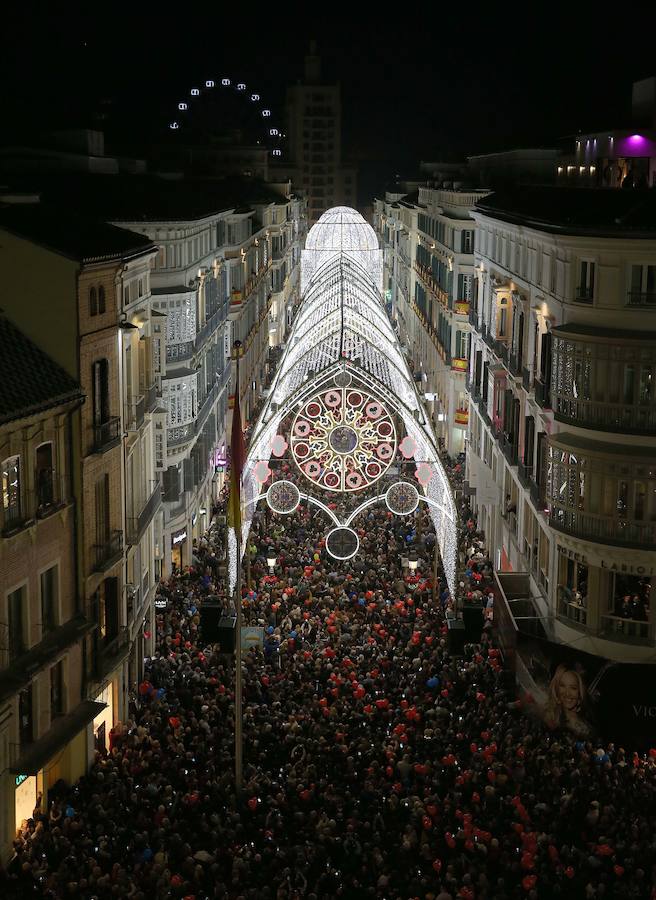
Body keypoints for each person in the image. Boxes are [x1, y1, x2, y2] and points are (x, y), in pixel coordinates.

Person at [542, 664, 593, 738]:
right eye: (562, 686)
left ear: (579, 692)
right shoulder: (550, 718)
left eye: (573, 688)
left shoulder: (587, 727)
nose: (567, 693)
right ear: (556, 689)